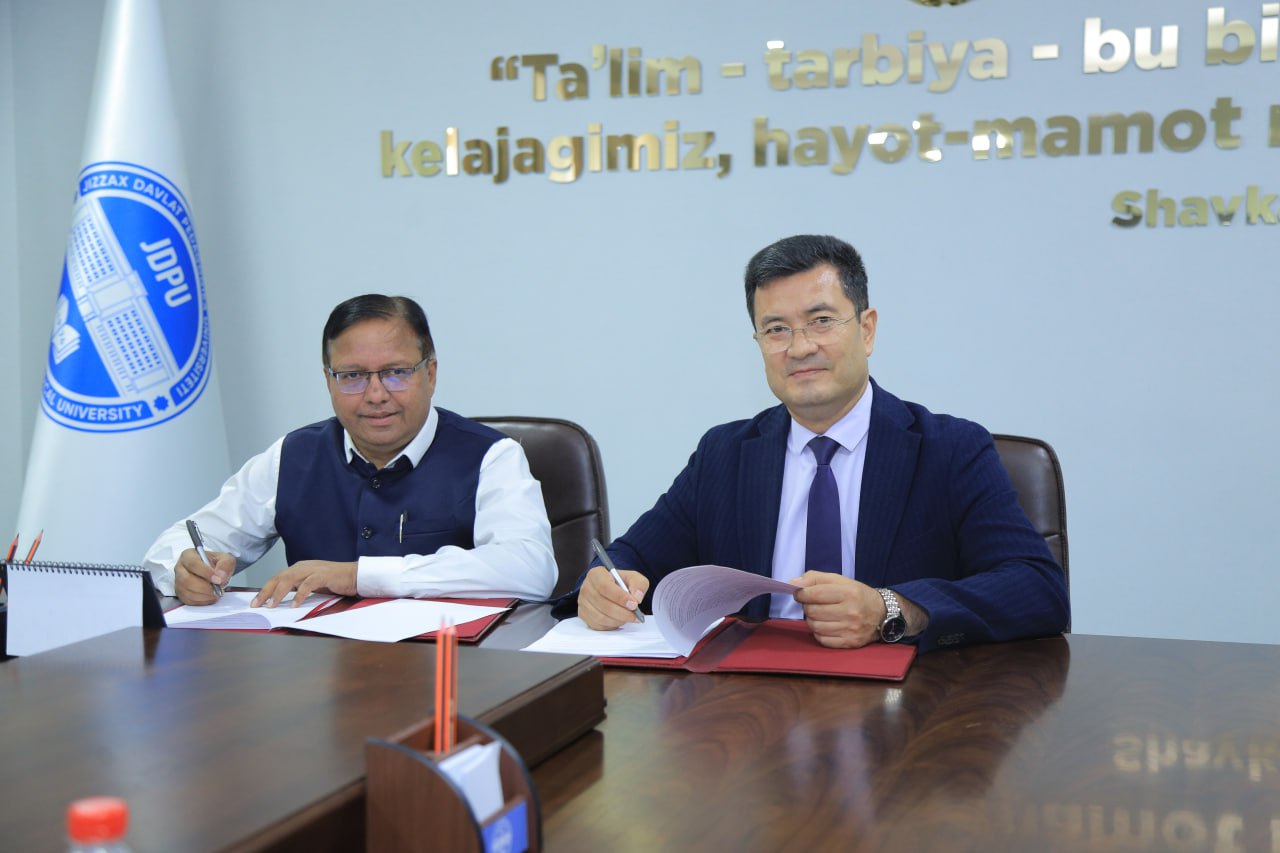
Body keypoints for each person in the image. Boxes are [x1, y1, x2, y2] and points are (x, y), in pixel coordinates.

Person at [573, 235, 1069, 653]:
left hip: (907, 708)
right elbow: (628, 557)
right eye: (776, 329)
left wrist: (891, 609)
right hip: (750, 706)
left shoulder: (950, 449)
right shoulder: (725, 454)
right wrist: (603, 587)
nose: (800, 347)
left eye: (821, 321)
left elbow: (1037, 588)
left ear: (867, 330)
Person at [143, 294, 556, 607]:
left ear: (430, 374)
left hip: (452, 670)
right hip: (318, 671)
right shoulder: (293, 456)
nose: (375, 394)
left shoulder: (491, 457)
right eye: (353, 376)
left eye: (396, 373)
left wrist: (359, 576)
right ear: (329, 380)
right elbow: (176, 544)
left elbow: (530, 569)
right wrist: (186, 568)